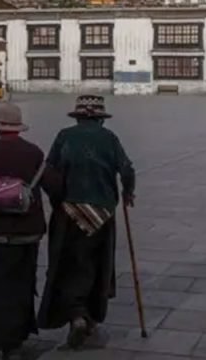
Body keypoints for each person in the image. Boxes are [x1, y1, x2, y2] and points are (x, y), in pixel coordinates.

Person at [38, 95, 136, 349]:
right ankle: (88, 314)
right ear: (101, 119)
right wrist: (127, 192)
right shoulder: (109, 138)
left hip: (69, 212)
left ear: (78, 117)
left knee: (67, 264)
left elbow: (49, 171)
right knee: (97, 264)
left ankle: (77, 314)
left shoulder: (65, 136)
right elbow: (127, 169)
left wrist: (57, 199)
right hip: (102, 213)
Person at [0, 103, 56, 359]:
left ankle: (0, 341)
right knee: (21, 284)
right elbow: (54, 187)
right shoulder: (33, 153)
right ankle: (17, 339)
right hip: (26, 234)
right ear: (19, 128)